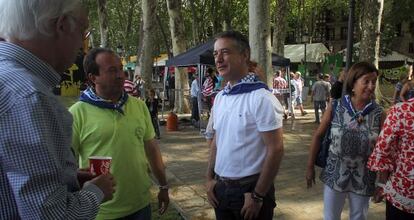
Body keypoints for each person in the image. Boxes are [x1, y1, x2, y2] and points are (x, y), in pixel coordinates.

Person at [0, 1, 115, 219]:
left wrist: (66, 178)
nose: (82, 44)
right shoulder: (31, 98)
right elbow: (52, 215)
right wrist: (97, 191)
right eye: (83, 30)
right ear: (62, 26)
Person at [70, 48, 169, 219]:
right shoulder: (76, 113)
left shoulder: (139, 106)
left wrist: (163, 186)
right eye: (112, 70)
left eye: (120, 69)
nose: (121, 75)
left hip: (141, 206)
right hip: (101, 211)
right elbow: (66, 166)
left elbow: (152, 150)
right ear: (93, 78)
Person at [206, 30, 284, 220]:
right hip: (221, 190)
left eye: (225, 52)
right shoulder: (222, 97)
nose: (218, 59)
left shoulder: (261, 98)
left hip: (250, 193)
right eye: (216, 54)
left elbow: (276, 149)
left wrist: (258, 195)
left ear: (245, 55)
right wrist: (209, 179)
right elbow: (217, 141)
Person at [306, 62, 386, 220]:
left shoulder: (379, 113)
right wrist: (310, 167)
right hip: (335, 174)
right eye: (366, 81)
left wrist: (382, 183)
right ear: (353, 83)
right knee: (330, 217)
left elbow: (383, 150)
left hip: (364, 177)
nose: (371, 86)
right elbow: (318, 136)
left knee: (358, 217)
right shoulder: (336, 106)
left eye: (374, 82)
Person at [367, 97, 414, 219]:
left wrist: (382, 185)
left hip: (403, 196)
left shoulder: (401, 110)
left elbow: (383, 150)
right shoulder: (401, 110)